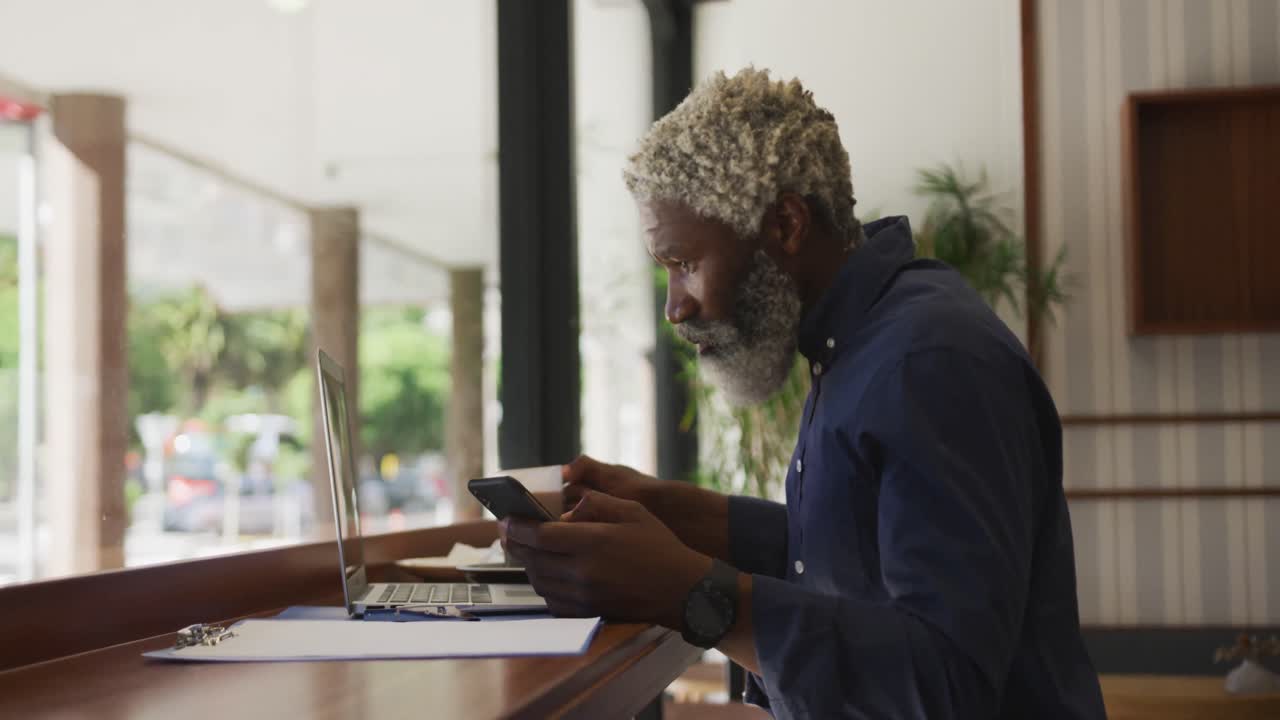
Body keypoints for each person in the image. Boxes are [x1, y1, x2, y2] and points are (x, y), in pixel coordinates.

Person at [501, 67, 1106, 719]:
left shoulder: (926, 361)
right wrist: (674, 511)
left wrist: (690, 591)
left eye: (684, 263)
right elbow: (859, 550)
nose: (675, 308)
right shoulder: (862, 341)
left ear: (786, 225)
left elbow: (946, 685)